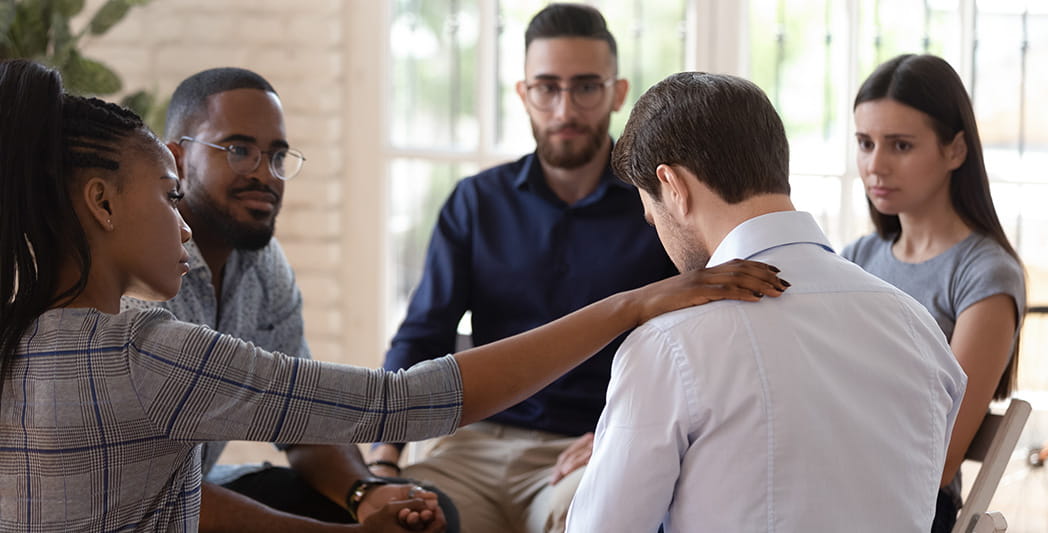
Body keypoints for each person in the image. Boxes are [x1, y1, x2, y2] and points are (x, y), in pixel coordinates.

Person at [0, 59, 788, 533]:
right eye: (166, 196)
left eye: (279, 154)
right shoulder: (142, 349)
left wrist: (362, 489)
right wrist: (635, 303)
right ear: (102, 205)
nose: (178, 220)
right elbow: (404, 400)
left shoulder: (28, 335)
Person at [565, 72, 967, 532]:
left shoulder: (669, 346)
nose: (655, 229)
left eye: (650, 212)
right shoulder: (919, 330)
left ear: (673, 187)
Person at [370, 4, 677, 532]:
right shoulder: (475, 203)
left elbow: (693, 342)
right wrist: (383, 457)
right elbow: (423, 335)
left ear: (618, 93)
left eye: (585, 87)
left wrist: (626, 433)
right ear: (523, 94)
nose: (564, 109)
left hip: (589, 446)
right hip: (472, 445)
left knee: (596, 516)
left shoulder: (659, 209)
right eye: (546, 88)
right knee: (414, 518)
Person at [120, 66, 459, 533]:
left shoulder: (263, 265)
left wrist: (364, 495)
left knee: (420, 513)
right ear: (177, 158)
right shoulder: (137, 272)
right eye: (239, 150)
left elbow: (300, 418)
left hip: (198, 491)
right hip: (134, 511)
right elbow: (150, 490)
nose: (265, 174)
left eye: (277, 156)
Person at [841, 53, 1027, 533]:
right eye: (865, 143)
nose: (875, 165)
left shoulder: (985, 275)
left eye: (900, 145)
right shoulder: (857, 256)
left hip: (908, 510)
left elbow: (937, 461)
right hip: (835, 485)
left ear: (955, 151)